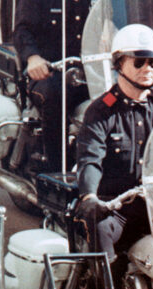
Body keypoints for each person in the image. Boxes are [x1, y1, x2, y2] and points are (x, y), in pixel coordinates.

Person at [75, 24, 153, 289]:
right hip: (116, 208)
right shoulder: (101, 111)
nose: (148, 68)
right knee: (103, 231)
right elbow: (90, 158)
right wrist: (90, 195)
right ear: (119, 63)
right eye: (139, 61)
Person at [13, 0, 91, 171]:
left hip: (91, 71)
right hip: (49, 70)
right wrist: (33, 57)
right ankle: (56, 170)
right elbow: (22, 30)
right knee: (55, 95)